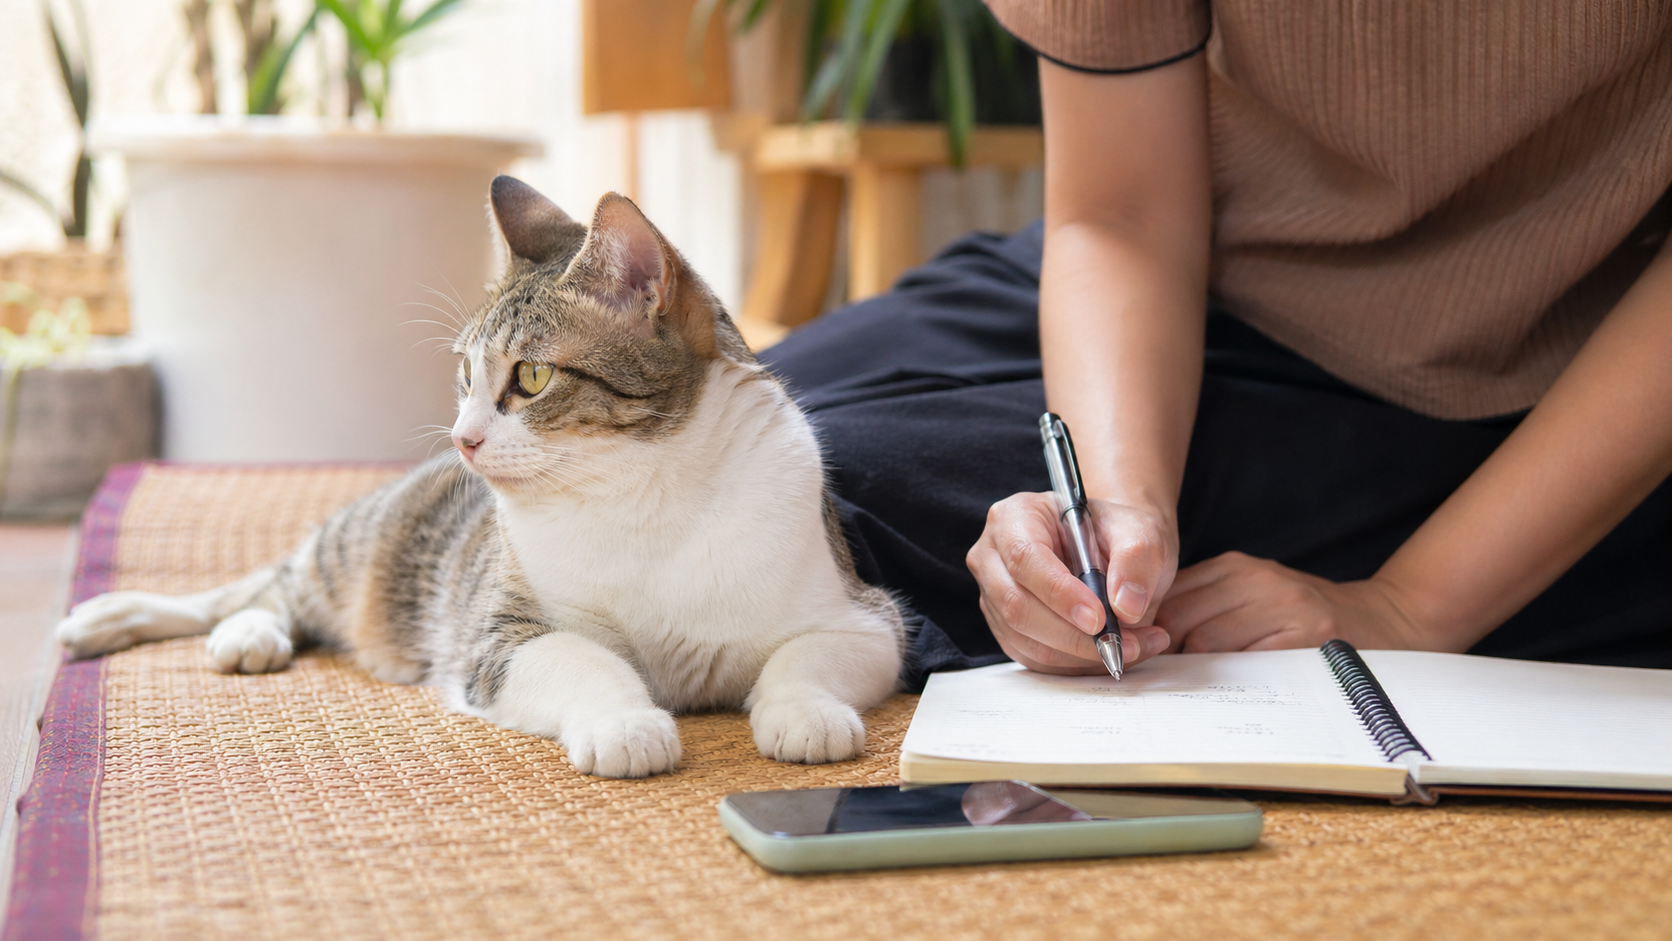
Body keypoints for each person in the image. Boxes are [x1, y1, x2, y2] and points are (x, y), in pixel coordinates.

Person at [761, 2, 1672, 687]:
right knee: (739, 460)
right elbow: (1122, 212)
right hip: (1180, 263)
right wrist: (1122, 512)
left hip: (1547, 369)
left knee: (848, 501)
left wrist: (1407, 605)